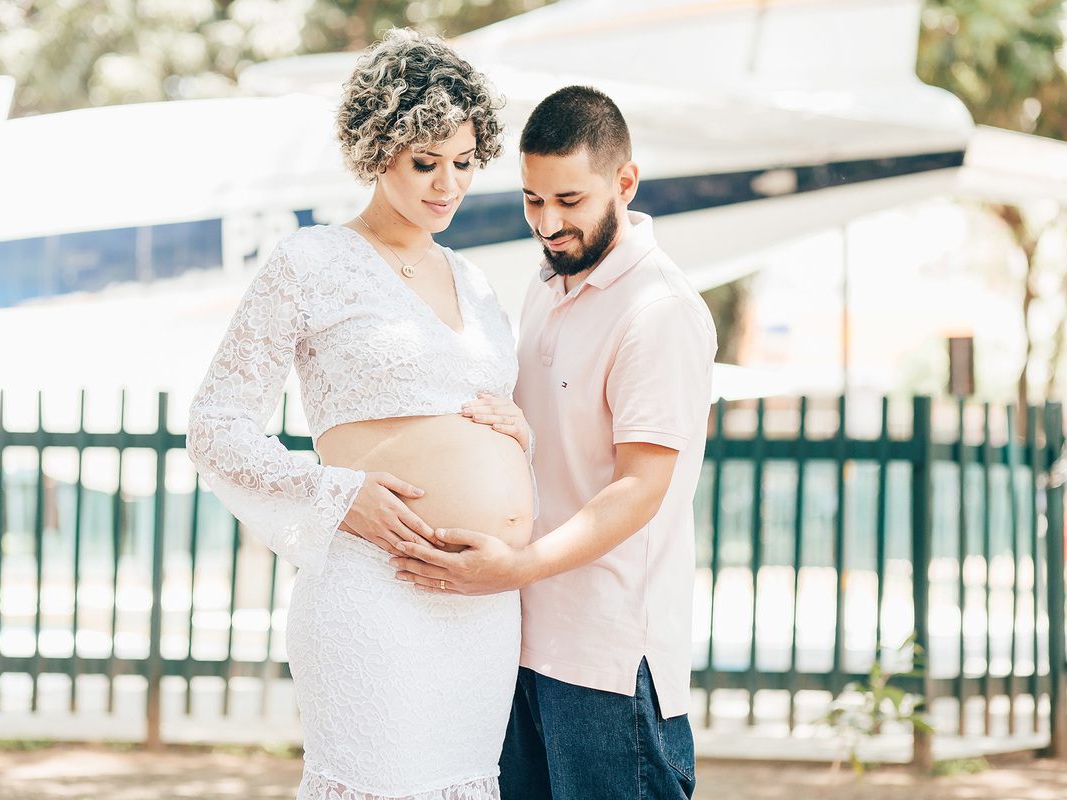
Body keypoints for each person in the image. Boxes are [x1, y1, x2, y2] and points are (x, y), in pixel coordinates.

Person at [186, 30, 534, 800]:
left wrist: (518, 435)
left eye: (465, 164)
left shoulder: (475, 281)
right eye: (425, 162)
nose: (448, 185)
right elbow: (215, 424)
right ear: (379, 148)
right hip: (375, 594)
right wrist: (335, 494)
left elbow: (475, 415)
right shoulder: (310, 262)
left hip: (480, 613)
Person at [392, 85, 718, 800]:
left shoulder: (658, 312)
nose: (548, 223)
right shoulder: (549, 283)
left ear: (623, 183)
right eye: (533, 200)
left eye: (570, 201)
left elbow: (639, 488)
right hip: (522, 643)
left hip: (609, 666)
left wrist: (515, 566)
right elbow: (570, 443)